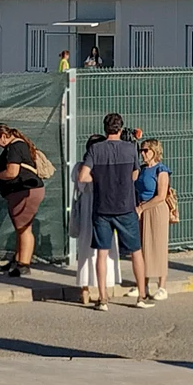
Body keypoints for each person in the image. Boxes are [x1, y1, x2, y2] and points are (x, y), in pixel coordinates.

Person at [78, 113, 146, 307]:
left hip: (102, 207)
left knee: (102, 253)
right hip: (125, 206)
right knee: (136, 252)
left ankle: (103, 298)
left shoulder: (95, 149)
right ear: (120, 128)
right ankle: (141, 295)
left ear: (104, 128)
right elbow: (135, 174)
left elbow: (83, 177)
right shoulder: (130, 148)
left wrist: (100, 179)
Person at [0, 123, 46, 277]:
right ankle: (18, 260)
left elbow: (12, 172)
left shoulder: (14, 147)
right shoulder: (19, 145)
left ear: (3, 136)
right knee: (21, 228)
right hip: (25, 191)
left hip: (24, 191)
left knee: (24, 229)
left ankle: (24, 265)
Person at [71, 133, 116, 309]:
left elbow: (79, 184)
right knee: (105, 249)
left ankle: (85, 289)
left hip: (86, 208)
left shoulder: (79, 167)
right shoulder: (104, 167)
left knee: (85, 248)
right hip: (103, 205)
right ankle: (104, 290)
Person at [135, 138, 172, 301]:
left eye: (146, 151)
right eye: (141, 151)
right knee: (143, 247)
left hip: (156, 209)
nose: (143, 154)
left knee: (158, 246)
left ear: (154, 151)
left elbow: (161, 196)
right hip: (141, 209)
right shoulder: (142, 169)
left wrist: (143, 207)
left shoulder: (161, 170)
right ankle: (143, 284)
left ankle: (162, 286)